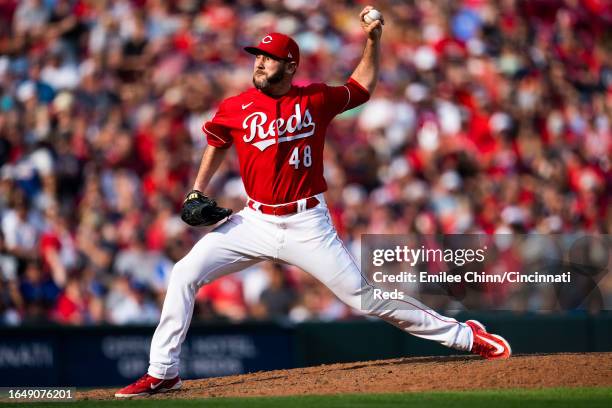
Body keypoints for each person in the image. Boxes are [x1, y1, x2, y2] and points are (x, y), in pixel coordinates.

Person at [115, 6, 511, 398]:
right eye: (258, 56)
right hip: (254, 221)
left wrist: (372, 41)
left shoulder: (314, 99)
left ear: (289, 66)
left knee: (366, 298)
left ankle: (466, 336)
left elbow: (362, 87)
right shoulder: (236, 107)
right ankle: (163, 372)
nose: (260, 63)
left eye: (269, 58)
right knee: (184, 272)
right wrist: (197, 189)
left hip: (307, 223)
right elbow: (218, 140)